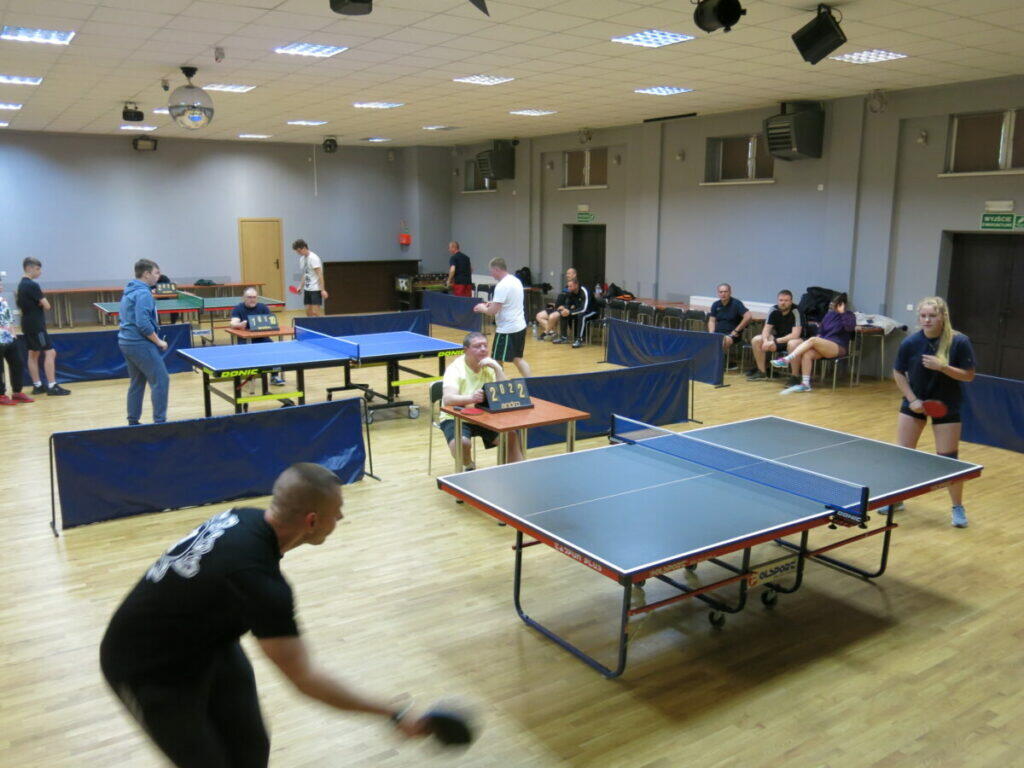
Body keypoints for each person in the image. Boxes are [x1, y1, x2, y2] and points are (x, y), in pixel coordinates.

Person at [100, 463, 430, 768]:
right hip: (145, 667)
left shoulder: (245, 517)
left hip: (208, 642)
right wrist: (393, 711)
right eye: (337, 512)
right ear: (312, 521)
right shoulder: (259, 583)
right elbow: (306, 679)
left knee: (251, 748)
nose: (341, 517)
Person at [893, 297, 976, 528]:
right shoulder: (910, 342)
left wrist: (943, 367)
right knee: (902, 454)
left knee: (948, 460)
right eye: (923, 316)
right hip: (915, 403)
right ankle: (896, 499)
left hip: (947, 404)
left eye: (932, 315)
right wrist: (912, 400)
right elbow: (898, 373)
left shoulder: (959, 342)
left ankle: (957, 507)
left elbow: (969, 375)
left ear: (943, 317)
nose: (927, 320)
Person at [440, 331, 523, 470]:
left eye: (485, 345)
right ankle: (468, 464)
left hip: (485, 415)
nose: (483, 349)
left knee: (511, 435)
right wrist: (471, 398)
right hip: (456, 417)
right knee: (462, 443)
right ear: (466, 350)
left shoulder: (490, 366)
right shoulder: (455, 369)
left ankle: (516, 472)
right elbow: (448, 399)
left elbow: (506, 393)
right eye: (477, 346)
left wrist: (497, 368)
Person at [118, 259, 170, 424]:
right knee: (161, 380)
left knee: (137, 382)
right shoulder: (143, 293)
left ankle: (133, 421)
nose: (158, 276)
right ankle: (160, 422)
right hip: (139, 343)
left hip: (126, 341)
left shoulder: (130, 289)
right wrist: (159, 341)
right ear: (146, 274)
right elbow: (143, 323)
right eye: (156, 273)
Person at [772, 292, 856, 394]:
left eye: (834, 303)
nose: (831, 305)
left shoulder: (849, 315)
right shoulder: (829, 315)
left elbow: (850, 328)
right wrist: (819, 337)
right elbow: (821, 331)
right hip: (825, 344)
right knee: (807, 354)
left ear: (841, 304)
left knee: (813, 340)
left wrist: (842, 313)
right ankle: (805, 384)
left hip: (839, 347)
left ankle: (787, 359)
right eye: (831, 303)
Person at [16, 257, 70, 396]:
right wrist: (41, 303)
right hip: (36, 325)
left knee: (33, 354)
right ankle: (52, 386)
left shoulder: (21, 285)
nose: (40, 272)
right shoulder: (32, 285)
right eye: (37, 269)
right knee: (50, 352)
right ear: (29, 268)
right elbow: (47, 305)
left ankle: (38, 385)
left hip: (27, 323)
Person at [473, 257, 531, 378]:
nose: (491, 274)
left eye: (491, 271)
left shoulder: (502, 286)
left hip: (507, 329)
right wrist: (493, 302)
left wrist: (482, 308)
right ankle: (531, 384)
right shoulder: (515, 280)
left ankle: (500, 386)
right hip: (519, 326)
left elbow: (492, 311)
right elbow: (508, 301)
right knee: (517, 359)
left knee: (496, 361)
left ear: (497, 269)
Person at [231, 287, 286, 387]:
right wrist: (239, 325)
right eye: (249, 297)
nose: (252, 299)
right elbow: (233, 323)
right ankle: (248, 375)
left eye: (254, 297)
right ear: (244, 298)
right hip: (245, 340)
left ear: (257, 298)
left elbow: (270, 321)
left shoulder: (263, 307)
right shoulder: (238, 308)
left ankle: (274, 376)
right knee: (250, 354)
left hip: (262, 338)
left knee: (274, 349)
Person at [747, 290, 803, 380]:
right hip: (780, 337)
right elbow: (766, 329)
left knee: (792, 343)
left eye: (786, 300)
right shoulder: (773, 309)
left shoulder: (796, 311)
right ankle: (762, 372)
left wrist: (774, 341)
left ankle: (795, 377)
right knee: (756, 340)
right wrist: (765, 341)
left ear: (791, 301)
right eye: (781, 300)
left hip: (796, 339)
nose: (783, 303)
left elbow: (795, 335)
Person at [0, 277, 33, 405]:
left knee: (17, 363)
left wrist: (13, 334)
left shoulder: (3, 300)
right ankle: (1, 394)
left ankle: (17, 392)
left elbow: (9, 319)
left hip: (9, 337)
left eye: (1, 283)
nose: (1, 286)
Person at [707, 283, 752, 357]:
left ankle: (718, 361)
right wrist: (711, 334)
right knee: (705, 341)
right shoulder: (716, 304)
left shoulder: (736, 303)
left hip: (732, 334)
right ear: (718, 293)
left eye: (725, 291)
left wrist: (736, 330)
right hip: (718, 333)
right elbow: (711, 321)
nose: (723, 294)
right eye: (721, 292)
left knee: (723, 341)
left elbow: (748, 316)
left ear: (730, 292)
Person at [553, 278, 597, 349]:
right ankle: (563, 337)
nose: (568, 288)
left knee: (581, 316)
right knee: (563, 314)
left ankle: (579, 339)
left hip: (591, 311)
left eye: (570, 286)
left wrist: (570, 312)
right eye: (568, 286)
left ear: (576, 285)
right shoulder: (571, 292)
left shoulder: (584, 291)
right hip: (579, 310)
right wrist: (565, 308)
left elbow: (584, 309)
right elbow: (568, 304)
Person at [535, 267, 577, 341]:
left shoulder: (575, 287)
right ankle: (551, 332)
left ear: (574, 275)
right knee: (539, 316)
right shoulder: (566, 286)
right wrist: (555, 304)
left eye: (569, 273)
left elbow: (574, 302)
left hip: (564, 309)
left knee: (552, 317)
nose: (567, 275)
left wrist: (565, 307)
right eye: (567, 273)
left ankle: (546, 332)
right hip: (556, 307)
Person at [292, 239, 328, 317]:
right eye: (297, 251)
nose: (298, 253)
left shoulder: (313, 258)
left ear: (304, 248)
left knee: (316, 313)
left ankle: (321, 324)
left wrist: (322, 290)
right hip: (307, 289)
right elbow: (305, 274)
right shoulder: (302, 259)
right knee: (308, 312)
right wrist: (300, 286)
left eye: (299, 251)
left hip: (315, 289)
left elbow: (320, 274)